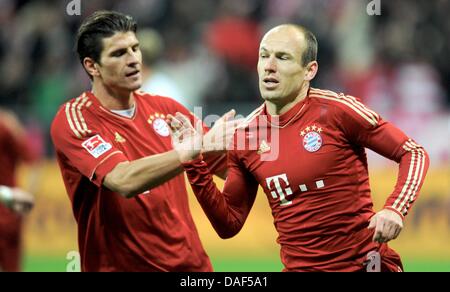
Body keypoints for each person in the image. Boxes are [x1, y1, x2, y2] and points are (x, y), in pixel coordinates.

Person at [171, 24, 430, 272]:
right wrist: (194, 164)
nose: (269, 67)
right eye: (264, 56)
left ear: (310, 70)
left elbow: (413, 153)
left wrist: (395, 207)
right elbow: (229, 224)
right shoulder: (246, 136)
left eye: (283, 58)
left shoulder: (337, 111)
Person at [50, 10, 237, 272]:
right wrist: (191, 151)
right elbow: (123, 180)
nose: (134, 59)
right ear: (92, 66)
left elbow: (230, 169)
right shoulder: (75, 119)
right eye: (118, 53)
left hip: (192, 269)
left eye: (135, 48)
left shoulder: (167, 108)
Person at [0, 108, 36, 272]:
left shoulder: (5, 127)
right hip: (10, 207)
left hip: (8, 210)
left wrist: (27, 196)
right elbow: (33, 162)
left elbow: (32, 162)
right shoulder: (7, 125)